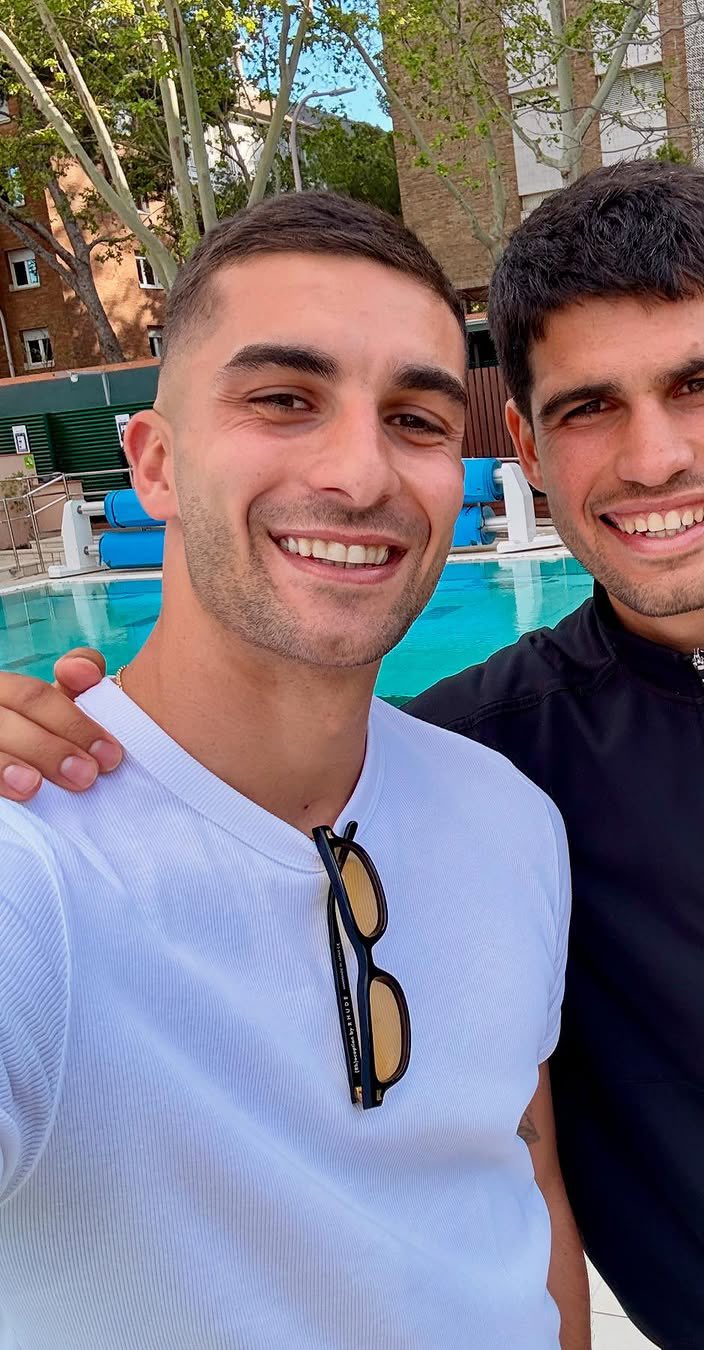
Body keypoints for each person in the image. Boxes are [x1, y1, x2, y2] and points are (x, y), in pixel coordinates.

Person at [3, 161, 704, 1350]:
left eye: (699, 385)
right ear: (522, 440)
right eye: (589, 407)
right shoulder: (489, 756)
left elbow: (524, 1186)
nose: (654, 458)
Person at [0, 192, 588, 1350]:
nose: (361, 474)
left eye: (416, 419)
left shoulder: (511, 820)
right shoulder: (31, 875)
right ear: (156, 464)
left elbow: (527, 1184)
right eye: (283, 399)